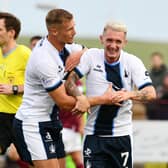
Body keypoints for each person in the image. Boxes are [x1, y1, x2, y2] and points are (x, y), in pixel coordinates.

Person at [12, 9, 117, 168]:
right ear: (54, 31)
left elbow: (93, 53)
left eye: (74, 27)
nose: (75, 32)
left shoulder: (68, 47)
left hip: (52, 122)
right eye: (69, 29)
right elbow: (64, 102)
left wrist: (83, 52)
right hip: (33, 124)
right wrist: (103, 99)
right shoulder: (43, 58)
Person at [65, 21, 156, 168]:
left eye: (118, 41)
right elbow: (70, 82)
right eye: (109, 40)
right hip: (93, 137)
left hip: (121, 137)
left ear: (124, 42)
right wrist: (80, 97)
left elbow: (151, 93)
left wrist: (129, 95)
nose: (113, 45)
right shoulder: (91, 57)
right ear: (102, 39)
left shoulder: (133, 62)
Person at [0, 12, 31, 167]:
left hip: (19, 117)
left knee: (30, 160)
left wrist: (14, 88)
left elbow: (39, 85)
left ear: (11, 33)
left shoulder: (25, 54)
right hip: (0, 115)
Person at [59, 80, 85, 168]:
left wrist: (81, 125)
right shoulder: (56, 78)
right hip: (61, 126)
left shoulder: (76, 83)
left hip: (70, 126)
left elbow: (81, 104)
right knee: (74, 157)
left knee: (75, 157)